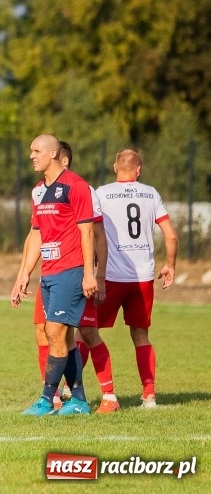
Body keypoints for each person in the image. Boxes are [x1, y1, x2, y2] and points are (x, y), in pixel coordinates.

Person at [17, 141, 111, 412]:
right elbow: (36, 234)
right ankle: (80, 402)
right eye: (31, 150)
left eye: (36, 151)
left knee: (55, 332)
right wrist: (25, 273)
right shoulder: (37, 191)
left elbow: (88, 232)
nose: (31, 155)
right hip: (48, 272)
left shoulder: (76, 186)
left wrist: (89, 275)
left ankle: (47, 400)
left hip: (70, 271)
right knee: (64, 337)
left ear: (54, 153)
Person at [95, 148, 178, 408]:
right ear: (139, 169)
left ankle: (69, 389)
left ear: (114, 167)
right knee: (141, 335)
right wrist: (170, 266)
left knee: (86, 332)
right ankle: (149, 396)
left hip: (110, 276)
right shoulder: (150, 193)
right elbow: (171, 235)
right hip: (142, 277)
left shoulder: (102, 193)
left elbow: (90, 232)